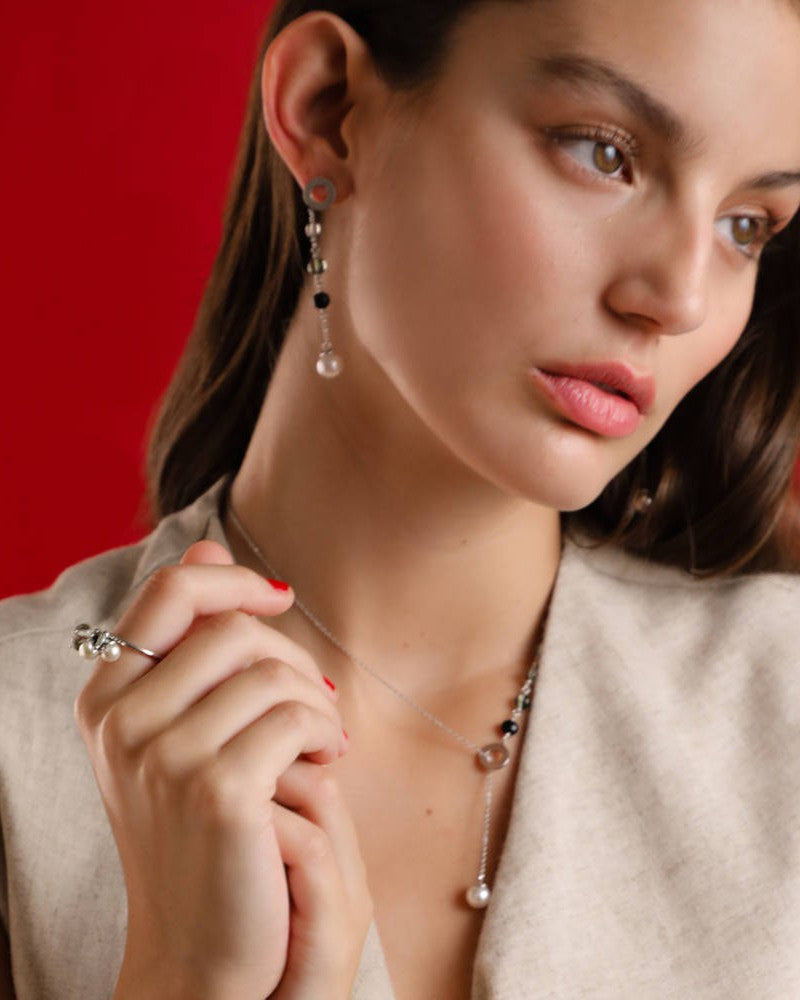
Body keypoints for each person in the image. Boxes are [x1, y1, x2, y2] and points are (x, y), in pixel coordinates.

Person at [2, 0, 800, 997]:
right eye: (603, 153)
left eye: (744, 226)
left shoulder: (779, 703)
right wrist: (187, 974)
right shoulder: (19, 746)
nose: (678, 298)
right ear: (327, 109)